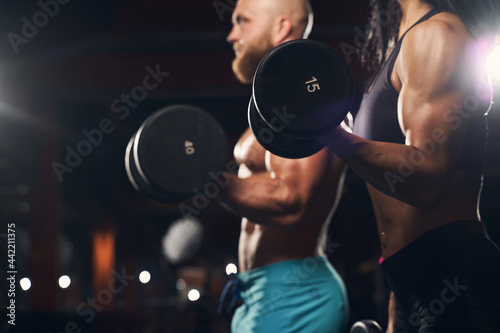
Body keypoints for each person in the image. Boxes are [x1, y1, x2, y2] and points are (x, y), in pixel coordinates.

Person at [319, 0, 500, 332]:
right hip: (408, 284)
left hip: (454, 280)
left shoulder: (435, 35)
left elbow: (428, 177)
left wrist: (339, 138)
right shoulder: (404, 43)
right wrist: (399, 291)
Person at [217, 0, 349, 332]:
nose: (232, 35)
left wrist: (204, 178)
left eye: (242, 21)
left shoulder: (308, 100)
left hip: (297, 295)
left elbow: (292, 201)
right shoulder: (271, 106)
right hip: (258, 292)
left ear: (281, 27)